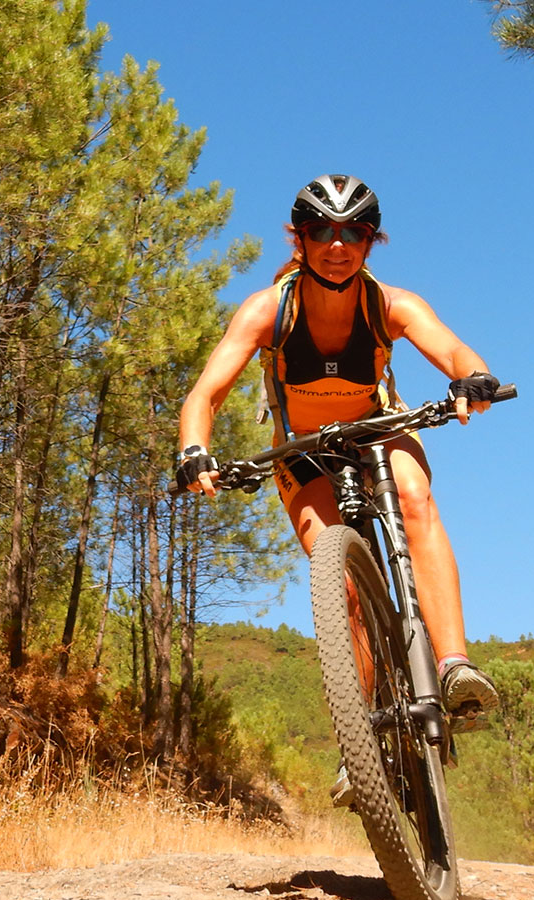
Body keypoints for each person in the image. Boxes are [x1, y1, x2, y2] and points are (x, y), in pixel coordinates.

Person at [174, 174, 502, 755]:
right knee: (344, 584)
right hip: (301, 451)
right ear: (298, 237)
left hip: (379, 429)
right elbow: (204, 395)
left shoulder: (390, 305)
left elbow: (451, 348)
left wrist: (470, 377)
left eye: (354, 231)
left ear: (372, 241)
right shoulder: (267, 310)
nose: (337, 243)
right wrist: (193, 449)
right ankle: (366, 738)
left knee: (416, 501)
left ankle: (455, 669)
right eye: (321, 229)